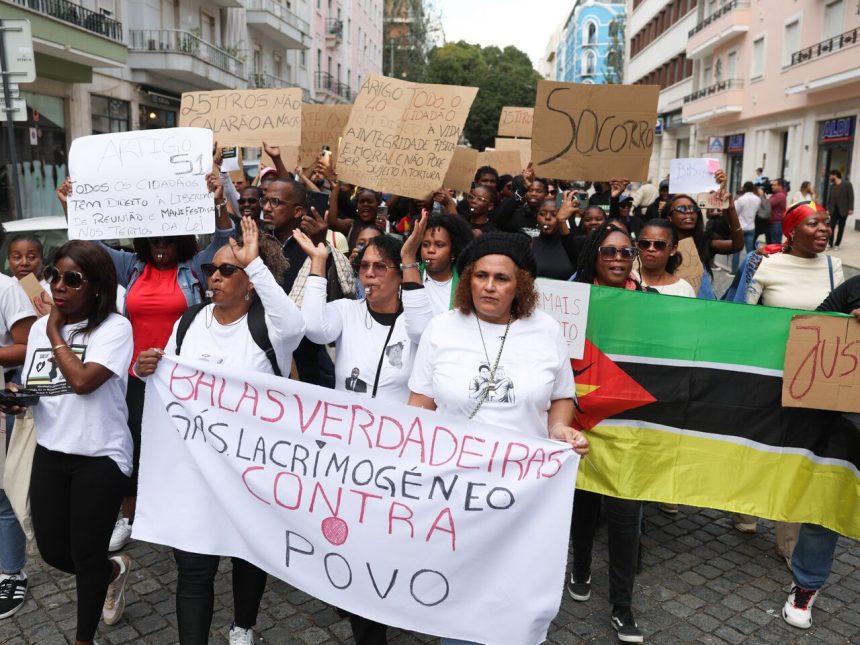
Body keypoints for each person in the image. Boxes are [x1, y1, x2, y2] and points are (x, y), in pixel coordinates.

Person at [406, 230, 589, 645]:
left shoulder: (545, 330)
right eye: (481, 275)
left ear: (520, 285)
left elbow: (562, 396)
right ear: (468, 278)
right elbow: (419, 404)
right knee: (457, 599)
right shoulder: (441, 329)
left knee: (510, 598)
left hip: (521, 497)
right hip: (453, 490)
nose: (489, 286)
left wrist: (560, 430)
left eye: (501, 278)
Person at [134, 217, 306, 645]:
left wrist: (256, 263)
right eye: (211, 268)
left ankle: (242, 626)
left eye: (228, 270)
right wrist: (145, 368)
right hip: (195, 471)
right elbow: (166, 378)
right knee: (194, 567)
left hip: (252, 471)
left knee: (248, 554)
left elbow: (298, 325)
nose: (214, 276)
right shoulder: (190, 321)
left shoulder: (272, 327)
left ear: (251, 281)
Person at [57, 175, 235, 553]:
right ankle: (130, 515)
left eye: (167, 240)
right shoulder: (131, 267)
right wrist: (73, 205)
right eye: (154, 240)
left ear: (181, 239)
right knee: (135, 444)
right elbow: (91, 249)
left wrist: (219, 203)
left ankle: (192, 512)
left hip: (183, 377)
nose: (160, 247)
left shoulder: (197, 266)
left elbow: (223, 242)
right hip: (137, 375)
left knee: (187, 444)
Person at [294, 214, 432, 644]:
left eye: (380, 267)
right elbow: (312, 328)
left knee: (385, 542)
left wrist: (410, 264)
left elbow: (428, 333)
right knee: (352, 538)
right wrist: (319, 266)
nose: (369, 275)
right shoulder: (347, 312)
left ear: (397, 274)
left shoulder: (417, 318)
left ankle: (384, 599)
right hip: (349, 453)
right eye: (364, 267)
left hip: (398, 455)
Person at [3, 241, 133, 644]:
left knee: (86, 552)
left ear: (96, 286)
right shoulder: (41, 327)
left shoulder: (115, 327)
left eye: (71, 279)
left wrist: (56, 330)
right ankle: (112, 572)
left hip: (100, 456)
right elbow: (46, 382)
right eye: (53, 276)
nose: (58, 286)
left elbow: (81, 381)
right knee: (54, 551)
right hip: (51, 450)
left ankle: (83, 639)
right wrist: (18, 397)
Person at [739, 200, 844, 565]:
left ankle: (789, 539)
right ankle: (746, 504)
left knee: (800, 453)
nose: (823, 230)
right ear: (792, 231)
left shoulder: (835, 266)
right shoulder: (766, 265)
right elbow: (743, 320)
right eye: (814, 223)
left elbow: (841, 316)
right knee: (762, 443)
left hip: (814, 378)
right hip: (768, 373)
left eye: (826, 223)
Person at [570, 224, 649, 642]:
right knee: (585, 505)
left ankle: (623, 606)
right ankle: (580, 566)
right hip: (585, 420)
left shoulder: (651, 302)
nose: (618, 258)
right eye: (608, 251)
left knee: (625, 516)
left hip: (632, 425)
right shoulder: (575, 300)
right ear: (593, 257)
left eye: (626, 250)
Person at [780, 275, 860, 629]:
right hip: (847, 421)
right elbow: (814, 328)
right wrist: (846, 322)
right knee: (826, 505)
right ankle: (805, 587)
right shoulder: (855, 287)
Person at [262, 176, 354, 386]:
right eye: (264, 201)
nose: (267, 208)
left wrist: (319, 246)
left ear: (297, 211)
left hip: (305, 364)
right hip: (262, 356)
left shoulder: (311, 245)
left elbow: (327, 286)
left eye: (275, 202)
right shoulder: (256, 242)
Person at [0, 228, 37, 620]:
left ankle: (11, 572)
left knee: (3, 489)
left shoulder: (9, 288)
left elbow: (29, 346)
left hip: (3, 394)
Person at [660, 169, 743, 298]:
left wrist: (730, 209)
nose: (689, 212)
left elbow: (737, 245)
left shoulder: (705, 241)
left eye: (693, 208)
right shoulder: (659, 244)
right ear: (669, 217)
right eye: (682, 209)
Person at [419, 214, 474, 314]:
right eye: (425, 245)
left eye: (439, 245)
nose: (430, 250)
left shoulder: (465, 282)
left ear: (453, 252)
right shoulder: (411, 273)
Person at [635, 219, 695, 296]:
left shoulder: (684, 289)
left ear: (673, 249)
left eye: (659, 245)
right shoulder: (626, 280)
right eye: (644, 244)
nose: (651, 249)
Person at [533, 195, 579, 280]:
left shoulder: (571, 246)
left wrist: (562, 221)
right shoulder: (528, 244)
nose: (547, 217)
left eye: (554, 214)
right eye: (542, 214)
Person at [732, 182, 761, 273]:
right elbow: (757, 211)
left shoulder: (741, 199)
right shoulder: (757, 199)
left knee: (737, 250)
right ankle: (751, 270)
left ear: (744, 188)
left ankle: (733, 271)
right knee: (750, 251)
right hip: (751, 226)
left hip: (740, 227)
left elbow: (736, 213)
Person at [826, 169, 854, 250]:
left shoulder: (847, 184)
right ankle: (830, 243)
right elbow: (830, 198)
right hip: (833, 210)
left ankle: (837, 244)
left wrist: (851, 208)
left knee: (841, 228)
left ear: (835, 175)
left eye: (831, 175)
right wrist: (828, 208)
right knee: (831, 227)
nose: (830, 177)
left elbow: (851, 197)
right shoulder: (832, 186)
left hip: (843, 210)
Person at [767, 178, 788, 245]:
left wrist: (762, 195)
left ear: (780, 186)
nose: (772, 186)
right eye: (772, 185)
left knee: (775, 246)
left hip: (776, 224)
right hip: (772, 224)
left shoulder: (780, 195)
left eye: (774, 185)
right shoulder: (775, 194)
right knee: (770, 246)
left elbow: (768, 204)